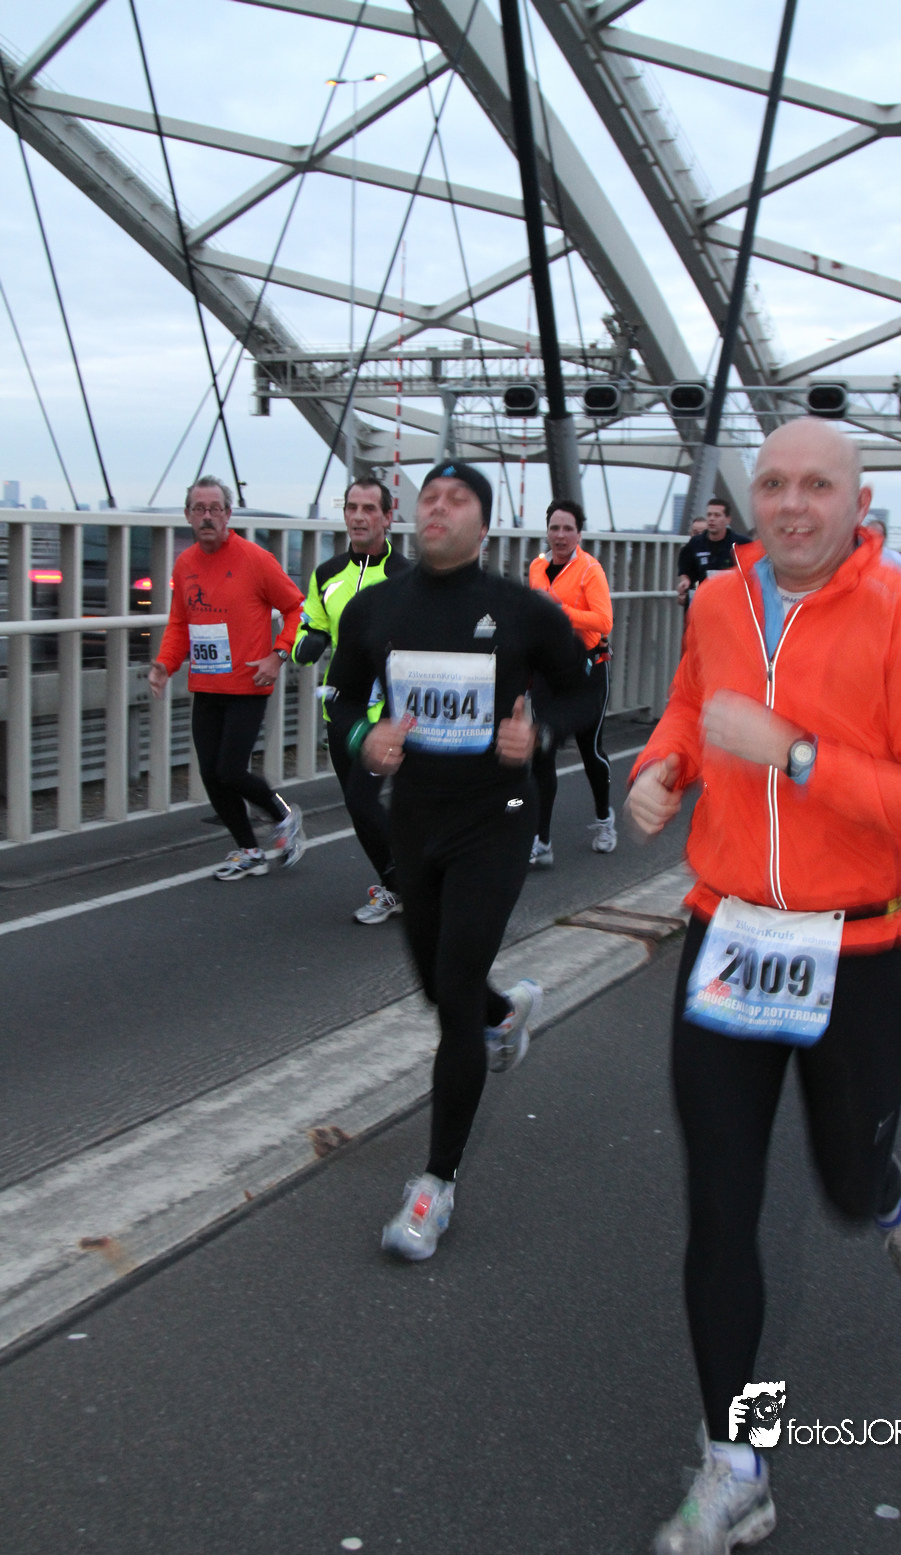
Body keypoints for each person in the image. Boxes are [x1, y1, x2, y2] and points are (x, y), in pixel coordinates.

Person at [625, 419, 901, 1555]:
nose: (789, 504)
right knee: (720, 1204)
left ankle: (885, 1193)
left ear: (856, 501)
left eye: (815, 486)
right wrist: (662, 767)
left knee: (839, 1181)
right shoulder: (715, 603)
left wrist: (795, 754)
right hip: (729, 936)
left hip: (858, 948)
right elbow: (689, 710)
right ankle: (739, 1464)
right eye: (772, 482)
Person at [325, 460, 595, 1261]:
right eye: (429, 496)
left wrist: (539, 729)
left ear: (483, 523)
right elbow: (342, 695)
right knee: (441, 985)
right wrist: (363, 737)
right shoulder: (376, 608)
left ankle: (434, 1183)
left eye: (457, 499)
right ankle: (502, 1013)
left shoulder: (521, 609)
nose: (437, 507)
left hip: (497, 817)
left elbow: (583, 690)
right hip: (415, 816)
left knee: (451, 996)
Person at [149, 476, 305, 880]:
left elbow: (296, 609)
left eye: (215, 509)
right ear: (187, 515)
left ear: (228, 514)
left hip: (249, 684)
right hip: (206, 685)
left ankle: (283, 816)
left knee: (231, 770)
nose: (207, 517)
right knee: (210, 775)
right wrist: (165, 664)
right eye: (199, 509)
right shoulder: (185, 564)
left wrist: (278, 655)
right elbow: (180, 623)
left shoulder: (255, 559)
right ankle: (249, 850)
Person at [292, 478, 411, 922]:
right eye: (351, 508)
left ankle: (409, 882)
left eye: (369, 508)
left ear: (387, 517)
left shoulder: (405, 577)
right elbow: (311, 625)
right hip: (343, 709)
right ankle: (397, 884)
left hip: (391, 715)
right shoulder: (326, 573)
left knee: (367, 800)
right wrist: (306, 643)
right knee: (358, 806)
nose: (358, 516)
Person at [527, 498, 615, 862]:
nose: (560, 535)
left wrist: (560, 611)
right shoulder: (536, 566)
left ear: (579, 534)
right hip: (549, 671)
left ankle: (604, 820)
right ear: (547, 531)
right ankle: (542, 841)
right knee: (541, 752)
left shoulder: (590, 570)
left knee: (589, 750)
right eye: (554, 528)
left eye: (568, 529)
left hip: (587, 671)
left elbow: (604, 621)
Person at [677, 498, 751, 605]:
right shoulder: (695, 543)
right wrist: (685, 582)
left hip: (733, 604)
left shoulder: (742, 543)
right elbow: (685, 569)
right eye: (709, 515)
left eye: (717, 515)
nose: (712, 519)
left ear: (728, 520)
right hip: (704, 603)